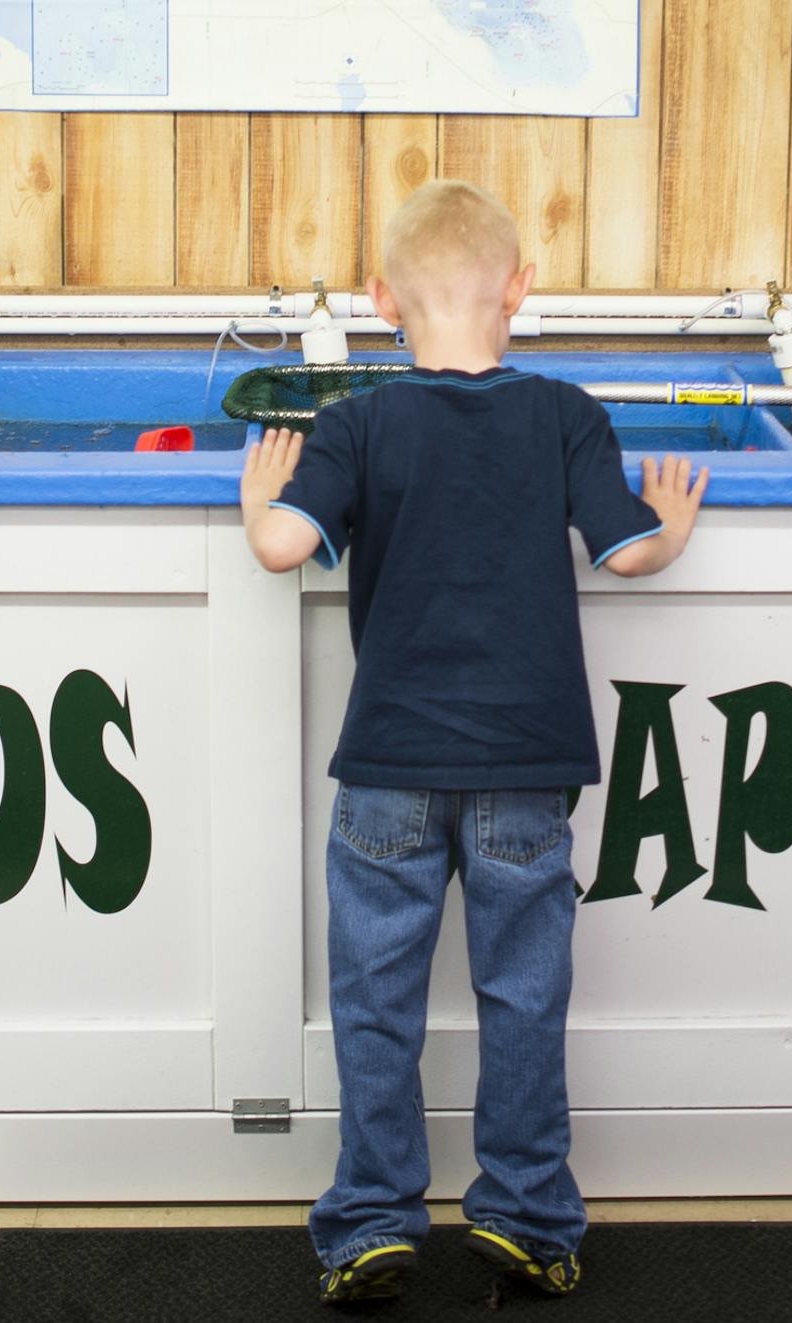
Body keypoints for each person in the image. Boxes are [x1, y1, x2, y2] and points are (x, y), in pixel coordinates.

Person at [237, 179, 709, 1304]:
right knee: (525, 996)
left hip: (390, 769)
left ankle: (369, 1224)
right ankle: (530, 1219)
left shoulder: (355, 422)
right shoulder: (564, 413)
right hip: (525, 772)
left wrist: (262, 504)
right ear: (521, 288)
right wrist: (673, 528)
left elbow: (282, 548)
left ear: (377, 299)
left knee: (375, 1003)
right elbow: (624, 549)